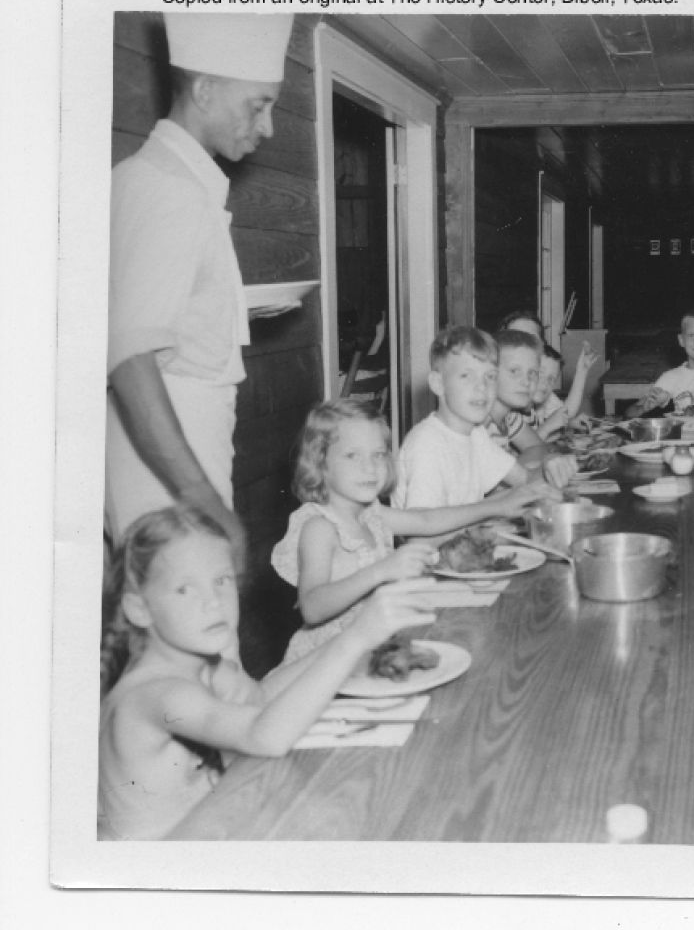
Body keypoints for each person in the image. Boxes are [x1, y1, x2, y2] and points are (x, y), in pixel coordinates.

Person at [98, 505, 437, 839]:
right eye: (185, 589)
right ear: (139, 609)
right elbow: (264, 736)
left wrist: (359, 651)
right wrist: (355, 637)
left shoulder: (209, 669)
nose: (214, 601)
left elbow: (261, 698)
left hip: (211, 835)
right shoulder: (156, 693)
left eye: (221, 580)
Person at [105, 12, 295, 565]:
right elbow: (130, 359)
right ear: (206, 90)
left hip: (170, 445)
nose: (268, 128)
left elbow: (161, 318)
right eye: (258, 105)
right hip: (165, 463)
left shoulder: (160, 182)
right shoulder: (166, 191)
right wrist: (205, 501)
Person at [272, 399, 512, 662]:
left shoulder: (371, 514)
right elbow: (312, 606)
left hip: (374, 648)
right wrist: (382, 570)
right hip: (326, 661)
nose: (370, 467)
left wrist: (497, 506)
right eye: (352, 455)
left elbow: (425, 521)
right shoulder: (319, 527)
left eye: (378, 454)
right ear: (321, 464)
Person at [391, 326, 564, 523]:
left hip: (468, 544)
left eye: (489, 376)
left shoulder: (475, 435)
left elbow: (525, 479)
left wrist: (553, 466)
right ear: (438, 383)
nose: (482, 387)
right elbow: (421, 534)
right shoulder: (427, 443)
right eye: (466, 375)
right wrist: (496, 506)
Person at [485, 330, 579, 486]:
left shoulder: (510, 419)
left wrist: (518, 472)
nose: (526, 381)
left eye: (532, 373)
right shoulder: (480, 427)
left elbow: (537, 446)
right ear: (490, 374)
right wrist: (512, 478)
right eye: (515, 371)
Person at [500, 309, 599, 429]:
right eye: (516, 339)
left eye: (531, 340)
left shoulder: (538, 383)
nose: (524, 346)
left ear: (542, 346)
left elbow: (564, 413)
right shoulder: (501, 394)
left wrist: (582, 371)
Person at [529, 342, 600, 440]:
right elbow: (524, 448)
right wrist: (547, 427)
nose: (545, 382)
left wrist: (582, 371)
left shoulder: (545, 398)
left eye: (551, 379)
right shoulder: (515, 409)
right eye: (540, 374)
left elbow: (567, 413)